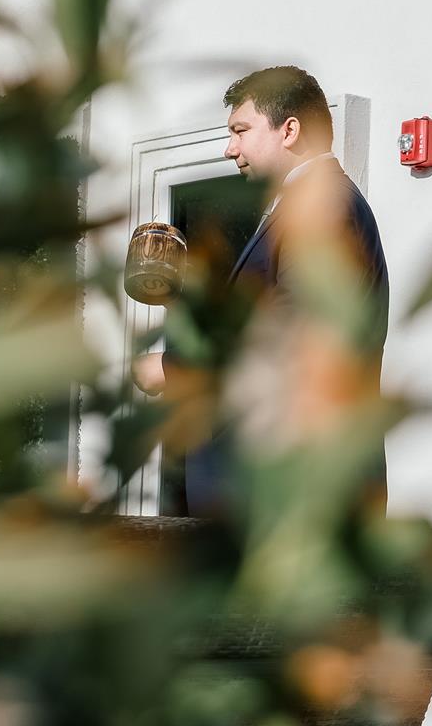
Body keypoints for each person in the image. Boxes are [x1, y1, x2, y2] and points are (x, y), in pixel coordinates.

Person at [135, 66, 388, 516]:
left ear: (289, 130)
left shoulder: (323, 206)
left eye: (241, 131)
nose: (230, 148)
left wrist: (175, 368)